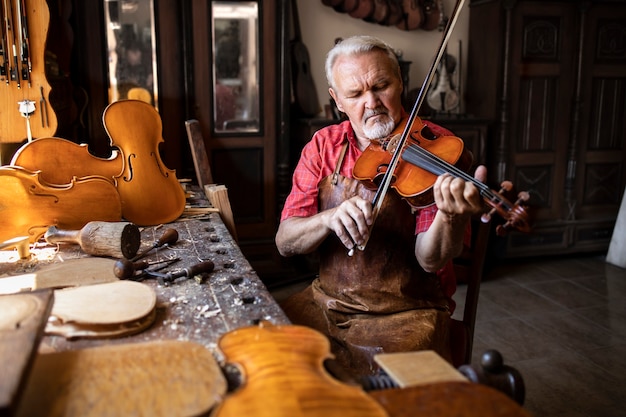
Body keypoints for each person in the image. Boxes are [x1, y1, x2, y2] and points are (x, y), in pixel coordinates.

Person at [275, 35, 487, 378]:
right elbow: (286, 242)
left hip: (408, 314)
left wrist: (450, 216)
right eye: (355, 94)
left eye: (381, 86)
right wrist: (328, 219)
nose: (371, 102)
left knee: (378, 395)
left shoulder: (438, 148)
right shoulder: (323, 146)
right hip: (327, 303)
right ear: (337, 101)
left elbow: (430, 259)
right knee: (268, 361)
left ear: (400, 83)